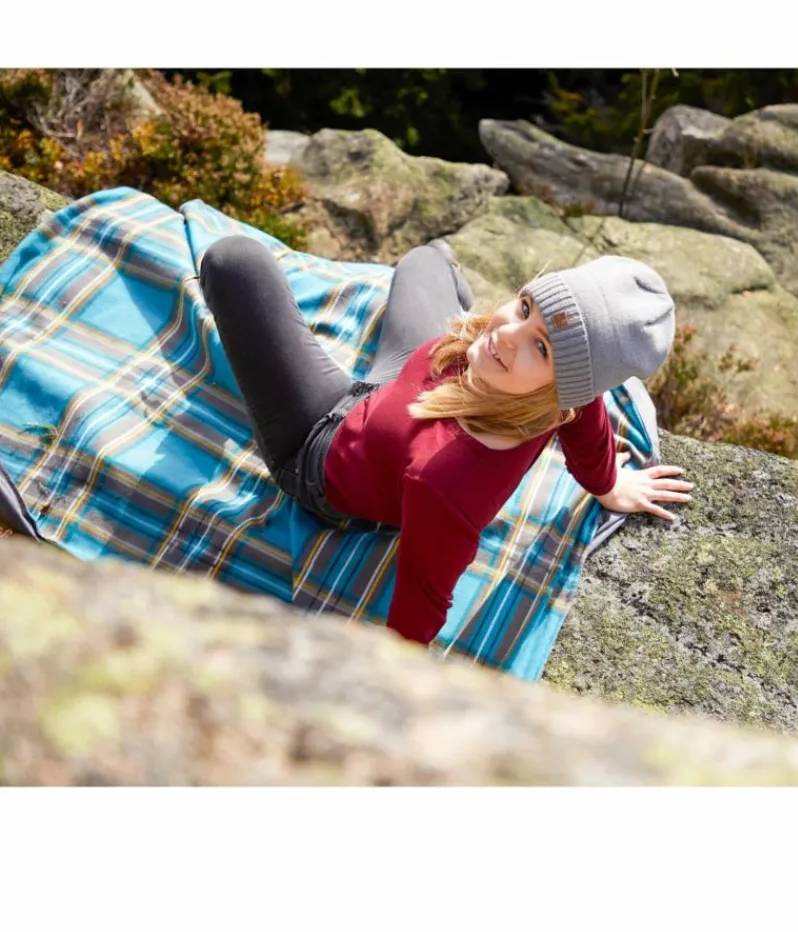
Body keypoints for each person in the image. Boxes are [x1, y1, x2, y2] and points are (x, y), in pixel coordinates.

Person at [199, 235, 693, 646]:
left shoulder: (442, 481)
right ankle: (464, 283)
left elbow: (420, 610)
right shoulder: (540, 381)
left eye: (540, 347)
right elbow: (587, 416)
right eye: (525, 306)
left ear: (565, 386)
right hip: (399, 386)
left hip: (316, 448)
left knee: (233, 262)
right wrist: (608, 485)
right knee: (425, 259)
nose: (507, 333)